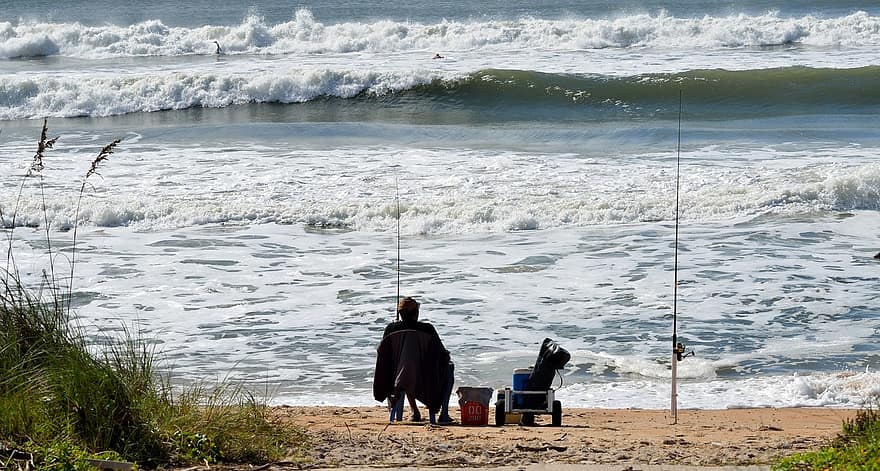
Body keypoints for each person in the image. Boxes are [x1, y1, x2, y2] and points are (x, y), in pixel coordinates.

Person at [373, 296, 455, 424]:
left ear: (400, 314)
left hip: (397, 379)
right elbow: (442, 354)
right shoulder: (427, 329)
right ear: (416, 313)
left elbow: (383, 355)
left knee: (406, 370)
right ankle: (443, 414)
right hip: (426, 379)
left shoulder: (391, 329)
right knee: (449, 367)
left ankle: (413, 410)